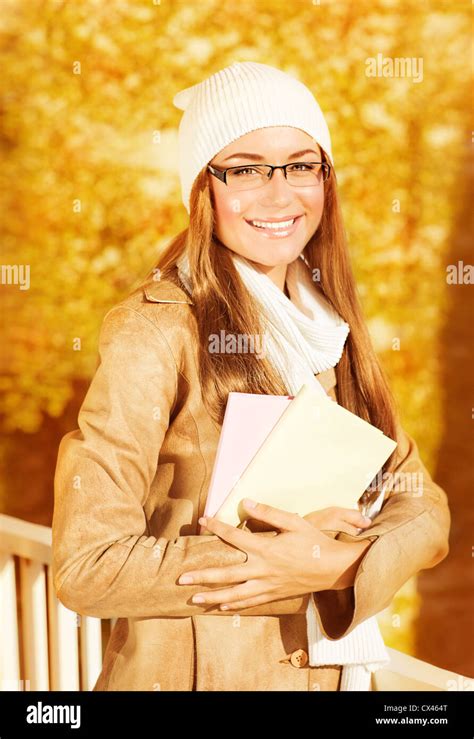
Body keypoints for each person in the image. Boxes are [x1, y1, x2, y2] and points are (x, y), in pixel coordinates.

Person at [52, 61, 450, 691]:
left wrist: (337, 565)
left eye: (300, 165)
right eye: (244, 169)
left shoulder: (331, 330)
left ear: (325, 179)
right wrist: (274, 564)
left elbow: (423, 507)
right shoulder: (154, 330)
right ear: (202, 189)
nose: (279, 193)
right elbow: (87, 566)